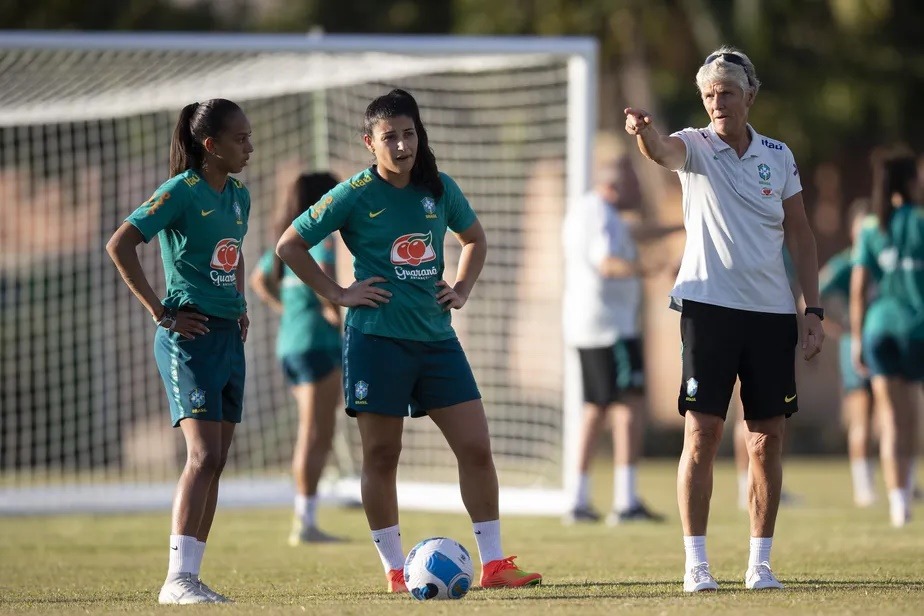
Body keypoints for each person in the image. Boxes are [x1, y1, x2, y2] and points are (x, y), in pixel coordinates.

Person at [275, 88, 542, 593]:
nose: (401, 145)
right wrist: (338, 293)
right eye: (389, 137)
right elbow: (289, 244)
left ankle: (494, 565)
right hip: (376, 342)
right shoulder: (353, 193)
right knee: (382, 455)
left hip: (437, 341)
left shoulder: (438, 188)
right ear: (369, 143)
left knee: (477, 448)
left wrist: (460, 288)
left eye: (409, 133)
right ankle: (396, 571)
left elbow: (475, 240)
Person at [625, 46, 825, 592]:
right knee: (703, 432)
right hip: (708, 308)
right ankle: (697, 564)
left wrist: (812, 309)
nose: (717, 102)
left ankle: (760, 564)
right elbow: (660, 151)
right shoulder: (695, 146)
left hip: (770, 315)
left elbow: (801, 235)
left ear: (750, 96)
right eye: (710, 94)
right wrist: (642, 132)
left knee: (765, 440)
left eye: (727, 92)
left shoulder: (778, 156)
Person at [105, 99, 253, 604]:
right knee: (203, 454)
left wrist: (239, 302)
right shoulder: (180, 191)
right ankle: (175, 581)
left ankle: (192, 575)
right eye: (240, 139)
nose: (249, 147)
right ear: (210, 147)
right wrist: (160, 312)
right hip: (187, 339)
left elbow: (231, 254)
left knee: (218, 459)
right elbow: (120, 244)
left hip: (228, 337)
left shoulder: (239, 196)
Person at [562, 155, 675, 525]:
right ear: (616, 184)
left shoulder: (592, 211)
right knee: (628, 406)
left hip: (589, 326)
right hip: (611, 328)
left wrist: (680, 225)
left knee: (596, 408)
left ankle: (578, 500)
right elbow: (607, 262)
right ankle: (625, 502)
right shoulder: (600, 215)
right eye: (632, 182)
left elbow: (635, 233)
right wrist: (651, 269)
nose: (638, 190)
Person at [249, 172, 344, 545]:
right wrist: (332, 310)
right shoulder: (321, 240)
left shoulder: (284, 242)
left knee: (315, 431)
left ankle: (307, 518)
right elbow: (328, 283)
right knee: (315, 432)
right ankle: (304, 521)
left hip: (290, 344)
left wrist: (287, 308)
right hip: (317, 344)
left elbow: (259, 280)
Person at [850, 151, 924, 528]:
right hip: (917, 328)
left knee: (890, 420)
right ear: (912, 181)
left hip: (879, 329)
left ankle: (898, 506)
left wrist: (858, 339)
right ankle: (908, 493)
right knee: (911, 418)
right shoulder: (921, 220)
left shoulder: (870, 227)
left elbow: (859, 285)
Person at [815, 199, 878, 507]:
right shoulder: (846, 264)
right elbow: (813, 295)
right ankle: (863, 487)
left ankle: (901, 481)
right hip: (858, 346)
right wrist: (841, 327)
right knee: (862, 416)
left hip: (885, 344)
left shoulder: (883, 260)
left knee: (896, 414)